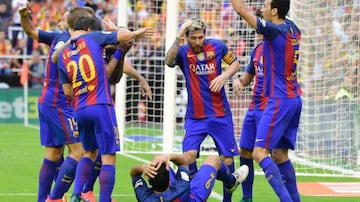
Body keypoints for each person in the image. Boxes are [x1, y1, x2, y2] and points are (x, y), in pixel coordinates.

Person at [57, 16, 153, 202]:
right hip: (100, 104)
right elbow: (124, 37)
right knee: (108, 156)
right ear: (88, 29)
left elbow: (67, 92)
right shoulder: (92, 38)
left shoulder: (63, 53)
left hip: (80, 108)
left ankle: (77, 194)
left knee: (89, 152)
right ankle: (105, 200)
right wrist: (134, 33)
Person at [19, 5, 95, 202]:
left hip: (48, 101)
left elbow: (31, 30)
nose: (60, 21)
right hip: (59, 103)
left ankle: (43, 199)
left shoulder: (57, 37)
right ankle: (55, 198)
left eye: (63, 19)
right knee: (79, 151)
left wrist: (22, 16)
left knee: (53, 153)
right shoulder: (73, 42)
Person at [230, 0, 302, 201]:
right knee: (279, 154)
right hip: (293, 98)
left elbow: (241, 9)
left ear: (275, 10)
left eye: (266, 5)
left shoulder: (275, 31)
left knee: (259, 152)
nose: (262, 8)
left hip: (279, 99)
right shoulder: (293, 29)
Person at [164, 18, 240, 201]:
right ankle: (195, 193)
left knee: (227, 159)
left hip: (220, 114)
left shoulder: (218, 47)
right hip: (195, 116)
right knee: (188, 156)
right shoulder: (182, 52)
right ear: (187, 37)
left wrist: (225, 76)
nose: (198, 41)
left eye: (201, 37)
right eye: (193, 38)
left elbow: (235, 63)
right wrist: (179, 35)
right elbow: (168, 61)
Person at [232, 9, 268, 202]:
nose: (257, 30)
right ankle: (247, 198)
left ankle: (287, 195)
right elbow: (249, 76)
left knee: (271, 154)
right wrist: (239, 81)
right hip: (254, 107)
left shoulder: (277, 49)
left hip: (269, 107)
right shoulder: (257, 50)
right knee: (245, 150)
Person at [131, 153, 249, 202]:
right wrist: (168, 156)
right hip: (193, 198)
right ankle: (232, 182)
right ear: (170, 181)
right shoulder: (181, 188)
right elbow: (183, 163)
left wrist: (143, 168)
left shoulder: (144, 197)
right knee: (214, 160)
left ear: (149, 180)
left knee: (157, 158)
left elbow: (134, 174)